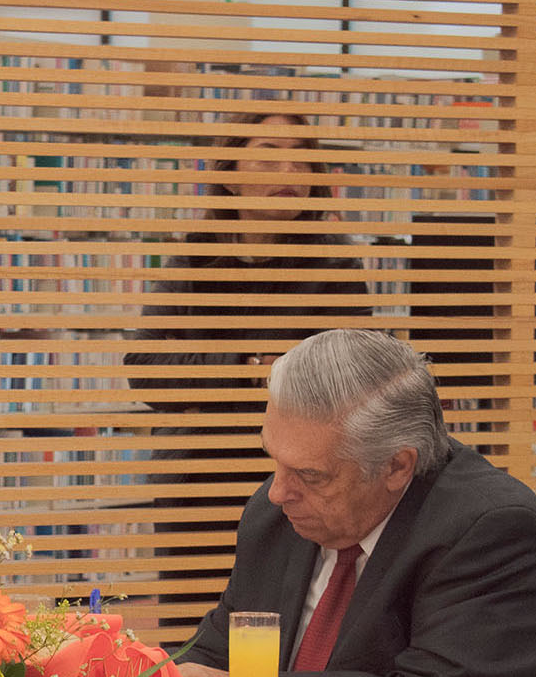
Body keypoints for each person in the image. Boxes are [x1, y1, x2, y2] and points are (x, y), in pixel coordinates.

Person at [176, 328, 536, 677]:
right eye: (273, 459)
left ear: (397, 466)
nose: (278, 491)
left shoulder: (494, 531)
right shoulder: (276, 517)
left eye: (311, 475)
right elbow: (215, 655)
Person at [124, 110, 371, 634]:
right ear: (229, 171)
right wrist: (245, 366)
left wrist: (254, 368)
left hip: (306, 479)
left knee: (286, 630)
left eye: (301, 158)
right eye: (269, 155)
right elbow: (145, 369)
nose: (288, 171)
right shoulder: (193, 258)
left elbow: (352, 379)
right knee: (198, 635)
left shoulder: (335, 265)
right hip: (197, 479)